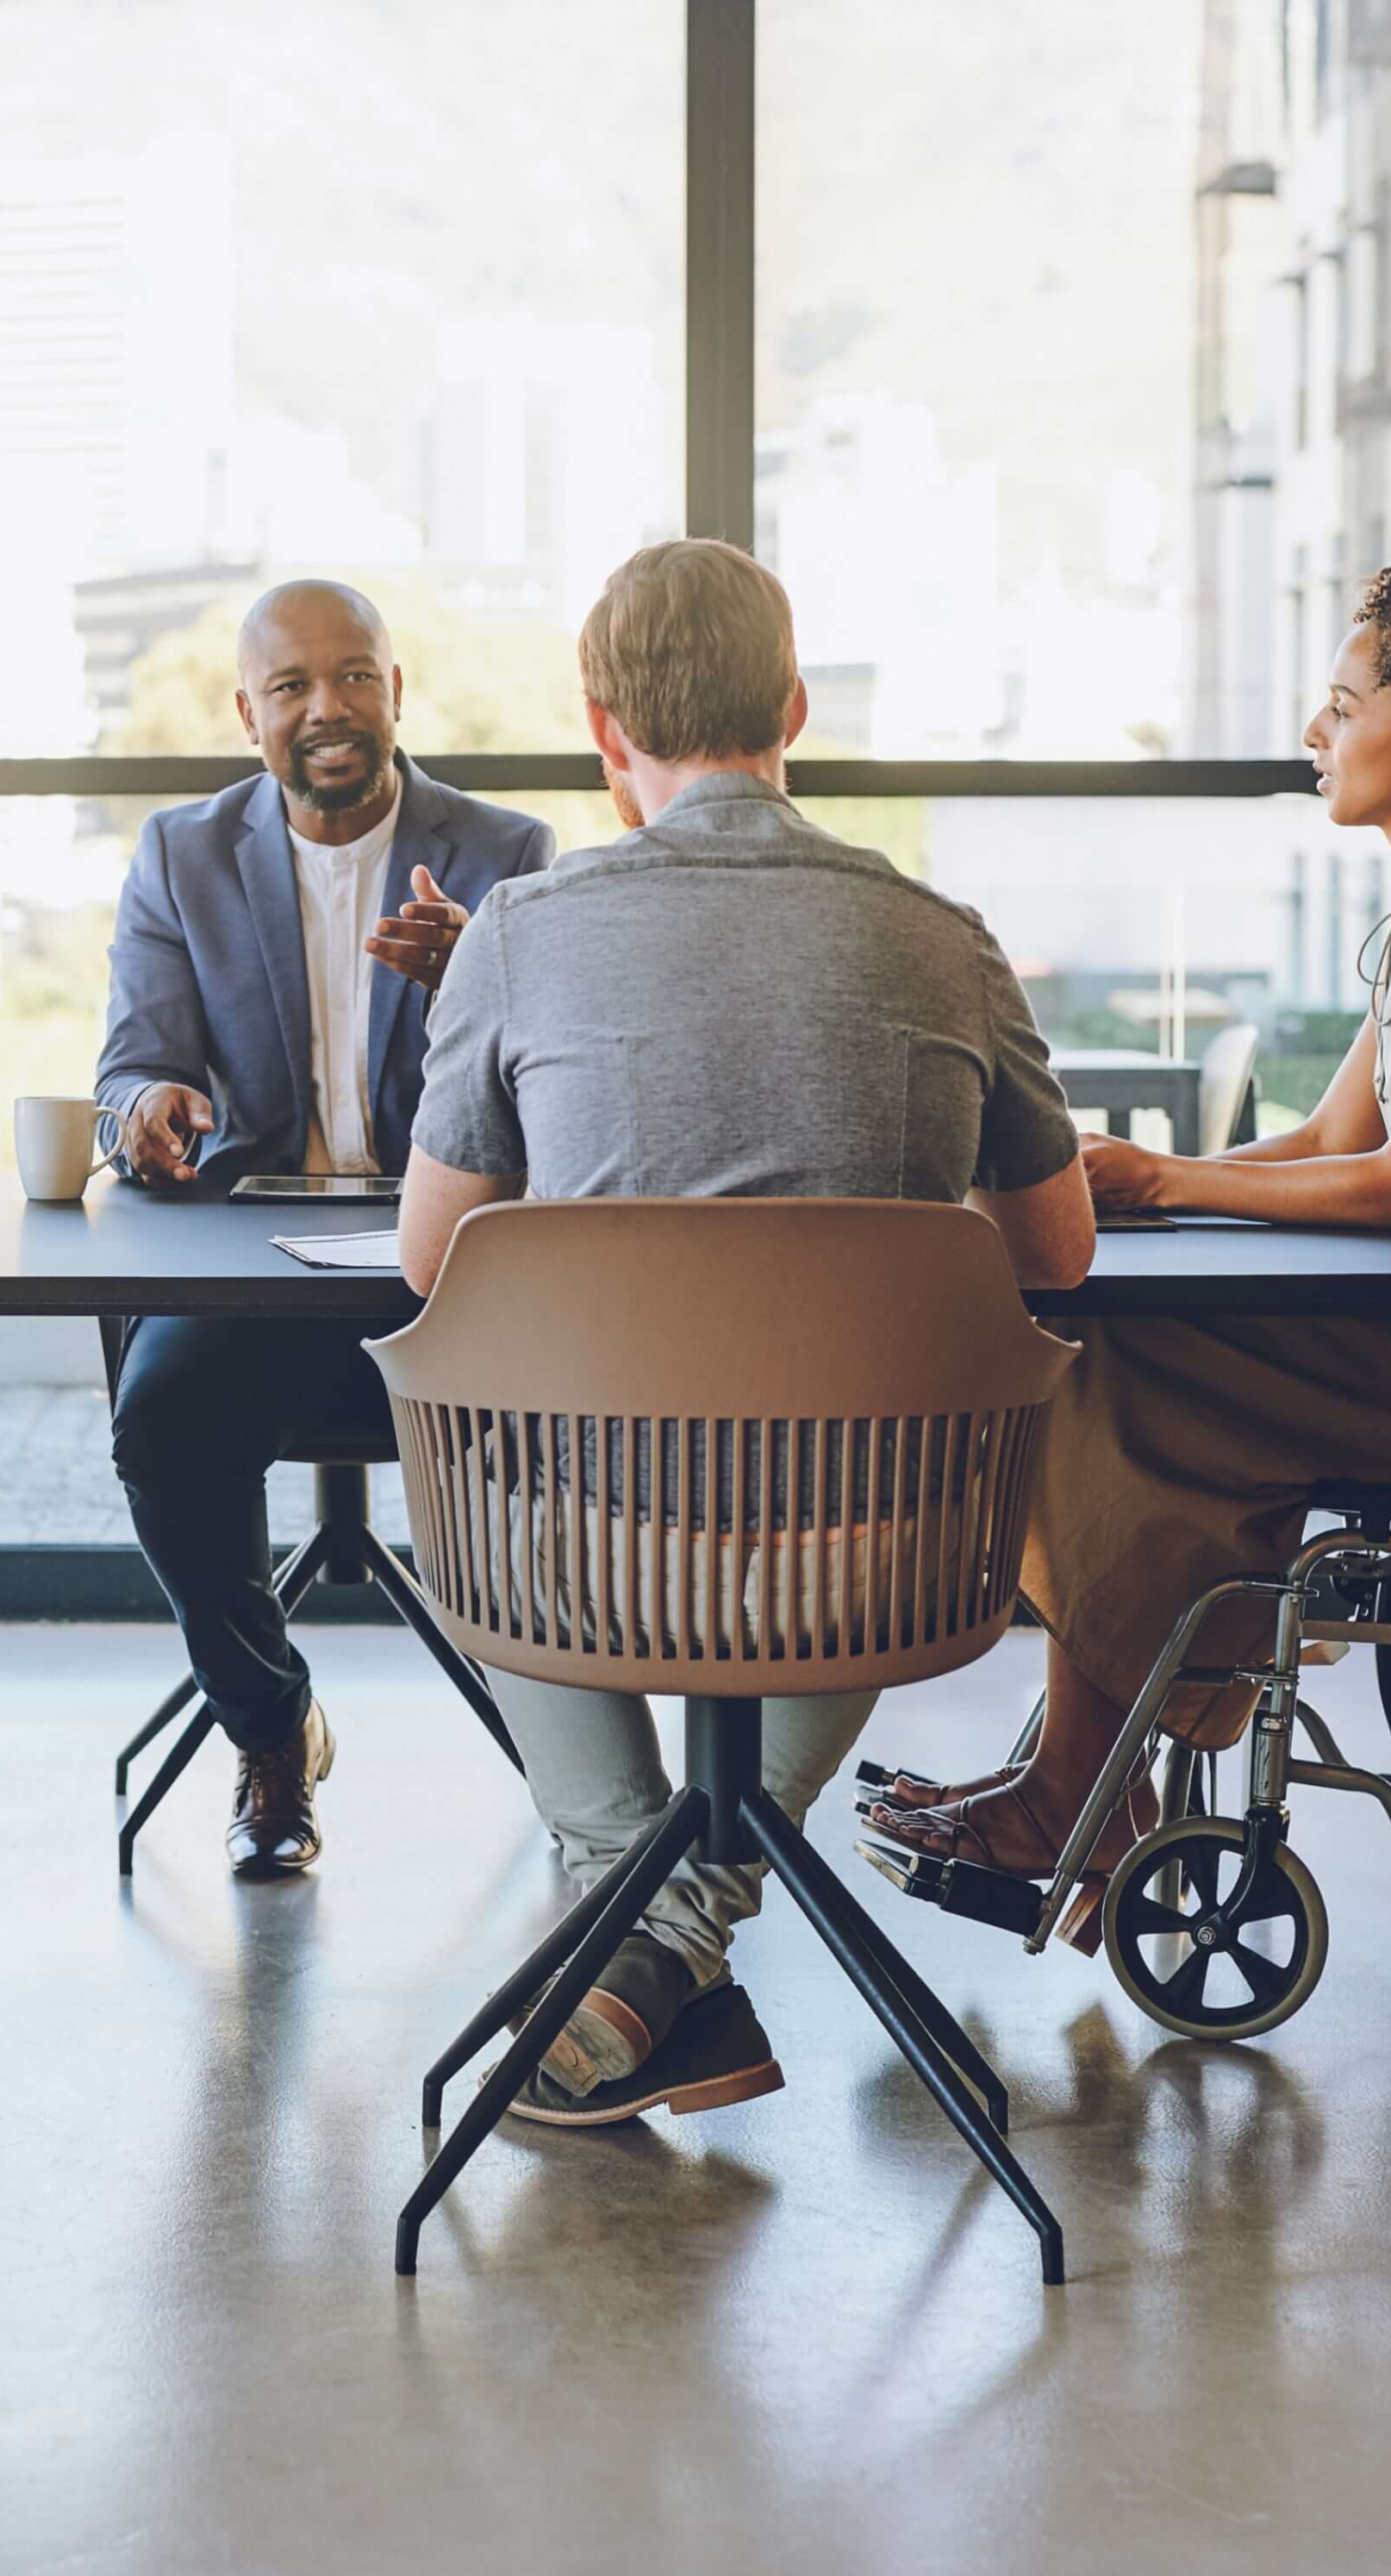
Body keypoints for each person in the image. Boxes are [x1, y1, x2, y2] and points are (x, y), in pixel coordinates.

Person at [864, 513, 1391, 1923]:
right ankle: (1083, 1782)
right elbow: (1326, 1144)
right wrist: (1145, 1179)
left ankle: (1082, 1792)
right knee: (1107, 1332)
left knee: (1106, 1356)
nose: (1317, 726)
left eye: (1348, 706)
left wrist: (1169, 1184)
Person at [395, 538, 1095, 2127]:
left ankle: (629, 1906)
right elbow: (1057, 1251)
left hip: (585, 1557)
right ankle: (669, 1944)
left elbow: (434, 1259)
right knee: (872, 1443)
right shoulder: (947, 937)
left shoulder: (519, 933)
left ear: (601, 732)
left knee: (468, 1406)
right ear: (792, 706)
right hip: (884, 1555)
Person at [94, 579, 558, 1878]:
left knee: (567, 1417)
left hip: (451, 1265)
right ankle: (270, 1727)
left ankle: (582, 1757)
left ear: (398, 692)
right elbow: (127, 1069)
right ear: (250, 716)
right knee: (161, 1419)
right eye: (293, 687)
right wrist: (149, 1109)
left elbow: (571, 1088)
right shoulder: (183, 856)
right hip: (258, 1268)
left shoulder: (507, 855)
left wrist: (481, 974)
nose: (328, 710)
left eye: (354, 676)